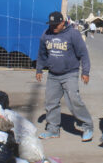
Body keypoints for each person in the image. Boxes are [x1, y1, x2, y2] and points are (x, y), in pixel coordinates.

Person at [35, 11, 94, 142]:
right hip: (53, 75)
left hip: (70, 74)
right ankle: (53, 129)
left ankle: (87, 127)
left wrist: (85, 72)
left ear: (63, 22)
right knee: (51, 102)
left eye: (56, 25)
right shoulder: (46, 34)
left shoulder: (73, 34)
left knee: (74, 101)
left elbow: (83, 54)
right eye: (51, 25)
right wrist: (39, 69)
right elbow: (42, 54)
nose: (53, 27)